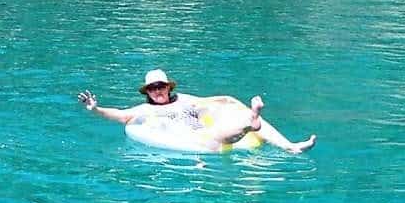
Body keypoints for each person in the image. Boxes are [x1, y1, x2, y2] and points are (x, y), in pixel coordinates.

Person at [78, 69, 316, 154]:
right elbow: (118, 115)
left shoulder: (185, 99)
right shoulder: (143, 110)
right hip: (193, 139)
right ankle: (249, 123)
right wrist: (95, 108)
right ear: (147, 92)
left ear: (168, 87)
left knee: (238, 123)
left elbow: (214, 100)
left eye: (161, 87)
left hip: (205, 128)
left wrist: (231, 100)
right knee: (218, 138)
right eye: (152, 89)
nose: (157, 91)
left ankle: (290, 146)